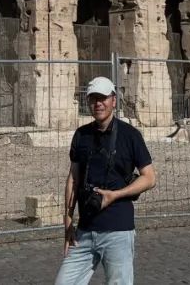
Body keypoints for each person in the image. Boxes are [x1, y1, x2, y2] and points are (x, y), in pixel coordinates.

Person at [55, 77, 156, 285]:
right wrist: (67, 221)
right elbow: (73, 178)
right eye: (93, 99)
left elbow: (149, 178)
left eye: (102, 98)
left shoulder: (130, 136)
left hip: (118, 229)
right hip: (84, 229)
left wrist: (115, 195)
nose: (98, 103)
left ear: (113, 100)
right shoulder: (81, 135)